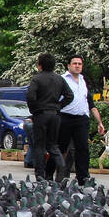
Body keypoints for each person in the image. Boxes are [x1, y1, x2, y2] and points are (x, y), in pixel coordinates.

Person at [58, 53, 105, 183]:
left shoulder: (83, 81)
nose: (77, 66)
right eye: (75, 63)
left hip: (81, 119)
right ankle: (57, 177)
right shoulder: (62, 80)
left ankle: (83, 178)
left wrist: (100, 122)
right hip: (65, 117)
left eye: (79, 64)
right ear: (69, 66)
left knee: (83, 148)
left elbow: (90, 103)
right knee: (62, 148)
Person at [26, 52, 72, 181]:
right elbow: (70, 96)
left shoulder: (37, 79)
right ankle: (62, 170)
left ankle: (40, 176)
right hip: (55, 115)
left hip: (41, 114)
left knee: (39, 146)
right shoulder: (59, 79)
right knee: (52, 145)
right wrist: (58, 106)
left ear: (39, 65)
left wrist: (35, 109)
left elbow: (30, 96)